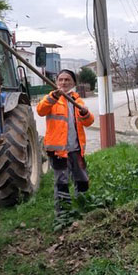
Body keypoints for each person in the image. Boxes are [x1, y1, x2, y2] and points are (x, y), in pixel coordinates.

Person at [36, 69, 94, 222]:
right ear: (56, 82)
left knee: (82, 179)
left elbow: (89, 122)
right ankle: (63, 214)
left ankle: (83, 207)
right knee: (61, 181)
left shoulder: (77, 101)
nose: (63, 82)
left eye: (67, 80)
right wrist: (52, 97)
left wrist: (85, 113)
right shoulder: (52, 99)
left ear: (73, 83)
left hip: (76, 149)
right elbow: (40, 110)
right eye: (60, 79)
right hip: (58, 151)